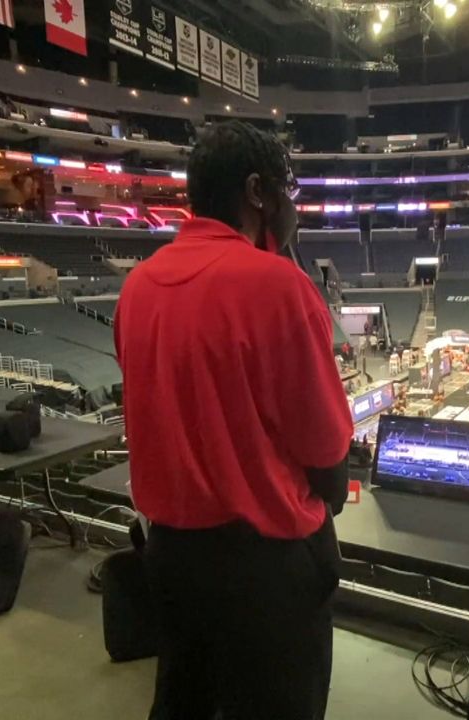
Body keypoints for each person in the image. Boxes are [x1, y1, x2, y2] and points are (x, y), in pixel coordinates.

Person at [115, 121, 353, 720]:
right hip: (267, 570)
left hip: (168, 558)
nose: (291, 205)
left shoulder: (136, 287)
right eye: (285, 189)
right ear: (255, 192)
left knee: (184, 700)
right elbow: (326, 449)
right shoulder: (280, 285)